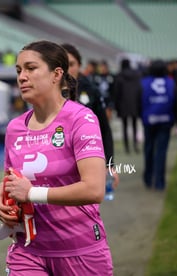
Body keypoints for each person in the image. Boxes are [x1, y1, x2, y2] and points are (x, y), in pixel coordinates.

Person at [0, 40, 113, 275]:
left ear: (57, 74)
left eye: (31, 68)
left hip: (80, 249)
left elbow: (94, 189)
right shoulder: (15, 127)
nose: (22, 77)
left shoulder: (81, 120)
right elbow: (11, 178)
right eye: (18, 71)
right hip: (27, 250)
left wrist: (31, 194)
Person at [61, 43, 119, 195]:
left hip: (88, 160)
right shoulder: (49, 93)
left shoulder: (92, 90)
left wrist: (109, 165)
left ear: (80, 65)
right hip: (59, 164)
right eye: (62, 64)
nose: (67, 69)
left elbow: (105, 130)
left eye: (71, 64)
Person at [141, 60, 177, 191]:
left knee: (148, 149)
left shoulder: (144, 82)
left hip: (149, 120)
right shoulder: (170, 82)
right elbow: (175, 100)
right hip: (165, 120)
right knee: (161, 152)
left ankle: (148, 177)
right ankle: (159, 181)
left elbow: (139, 100)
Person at [115, 58, 142, 154]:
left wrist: (117, 106)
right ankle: (135, 145)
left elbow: (117, 93)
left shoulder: (119, 76)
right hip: (134, 104)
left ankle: (127, 147)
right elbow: (139, 90)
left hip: (123, 105)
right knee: (135, 125)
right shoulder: (137, 75)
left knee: (125, 126)